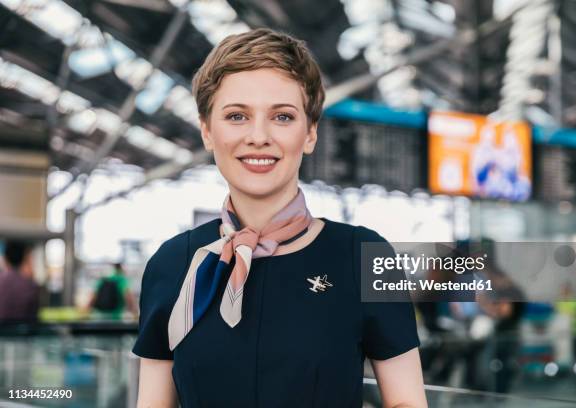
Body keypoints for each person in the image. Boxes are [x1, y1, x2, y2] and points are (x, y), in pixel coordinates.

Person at [132, 28, 427, 408]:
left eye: (282, 117)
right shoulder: (171, 265)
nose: (258, 136)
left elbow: (407, 402)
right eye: (237, 116)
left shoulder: (366, 255)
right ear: (207, 131)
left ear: (310, 134)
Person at [0, 240, 40, 322]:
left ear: (5, 259)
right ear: (24, 259)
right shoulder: (30, 286)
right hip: (22, 333)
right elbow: (34, 318)